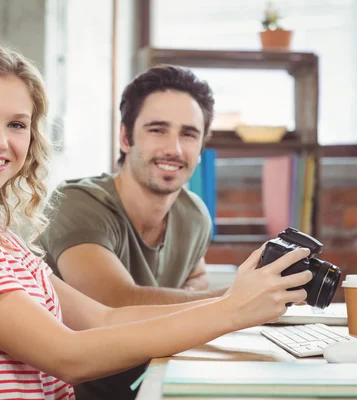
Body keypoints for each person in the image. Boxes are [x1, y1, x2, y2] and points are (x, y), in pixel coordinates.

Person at [0, 44, 312, 400]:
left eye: (17, 124)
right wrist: (234, 309)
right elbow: (69, 355)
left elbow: (104, 319)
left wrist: (240, 301)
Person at [36, 64, 222, 398]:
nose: (174, 149)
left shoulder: (195, 216)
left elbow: (197, 276)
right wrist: (234, 301)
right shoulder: (78, 203)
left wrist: (195, 294)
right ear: (125, 137)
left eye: (189, 134)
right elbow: (113, 301)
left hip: (154, 385)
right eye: (157, 130)